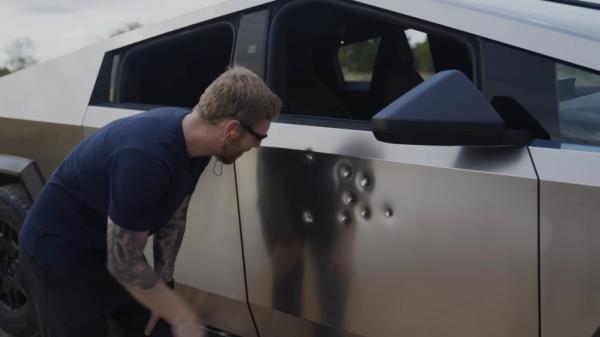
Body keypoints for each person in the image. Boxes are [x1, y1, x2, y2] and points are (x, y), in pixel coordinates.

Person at [17, 66, 281, 337]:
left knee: (156, 328)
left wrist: (164, 286)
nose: (257, 146)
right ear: (232, 130)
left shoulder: (197, 146)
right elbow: (123, 262)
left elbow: (175, 216)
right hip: (58, 257)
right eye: (258, 136)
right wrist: (182, 316)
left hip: (108, 252)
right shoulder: (146, 157)